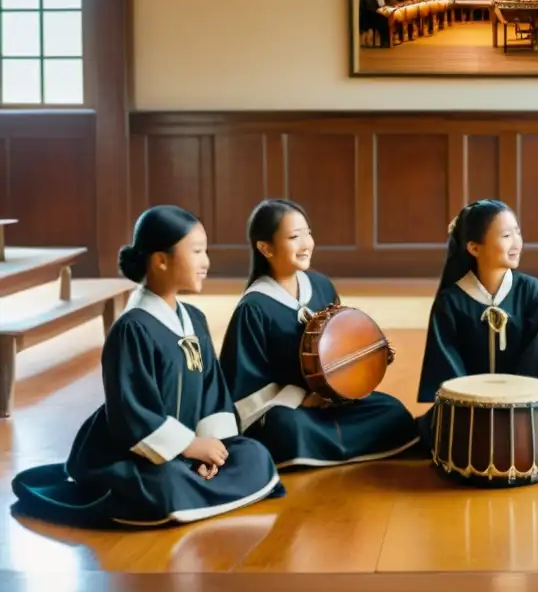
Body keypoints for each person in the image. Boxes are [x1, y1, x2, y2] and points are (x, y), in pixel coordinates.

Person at [11, 206, 283, 528]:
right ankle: (184, 490)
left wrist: (214, 447)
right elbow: (131, 415)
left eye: (205, 251)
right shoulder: (133, 329)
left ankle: (197, 483)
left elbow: (213, 389)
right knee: (162, 484)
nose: (206, 261)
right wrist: (191, 447)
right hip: (137, 453)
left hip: (190, 449)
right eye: (196, 252)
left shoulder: (194, 319)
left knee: (255, 456)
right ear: (161, 260)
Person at [219, 199, 419, 469]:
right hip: (291, 411)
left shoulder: (322, 285)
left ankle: (323, 448)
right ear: (265, 248)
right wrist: (303, 398)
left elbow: (343, 342)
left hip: (332, 402)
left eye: (308, 233)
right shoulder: (254, 308)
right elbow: (243, 388)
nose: (306, 244)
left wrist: (347, 380)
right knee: (287, 429)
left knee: (391, 411)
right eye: (293, 236)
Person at [415, 200, 538, 446]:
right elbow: (447, 369)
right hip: (468, 413)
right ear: (474, 248)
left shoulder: (531, 291)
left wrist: (517, 406)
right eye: (506, 235)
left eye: (517, 232)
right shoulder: (451, 301)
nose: (517, 242)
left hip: (522, 411)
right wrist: (475, 408)